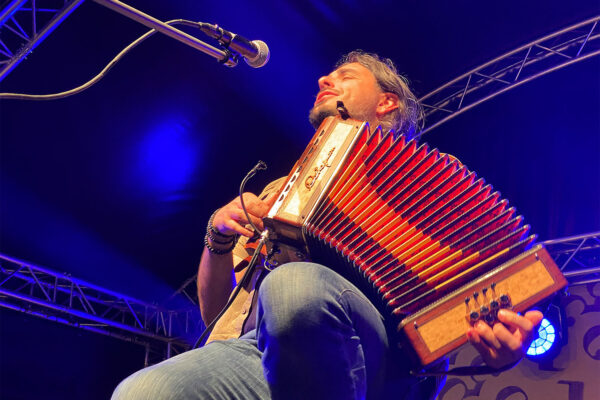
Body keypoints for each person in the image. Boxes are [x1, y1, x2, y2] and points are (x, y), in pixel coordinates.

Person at [112, 50, 543, 400]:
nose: (324, 80)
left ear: (386, 101)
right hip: (258, 352)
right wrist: (217, 236)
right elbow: (215, 314)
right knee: (140, 391)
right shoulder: (279, 191)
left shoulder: (430, 175)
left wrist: (507, 341)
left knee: (293, 284)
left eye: (346, 75)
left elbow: (493, 275)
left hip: (384, 358)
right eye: (327, 75)